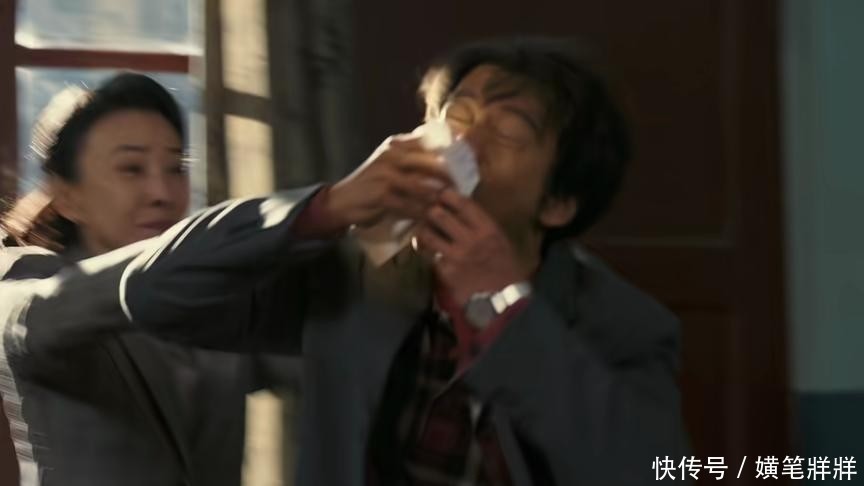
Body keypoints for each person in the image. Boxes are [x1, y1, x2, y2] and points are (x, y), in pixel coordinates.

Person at [129, 37, 687, 485]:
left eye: (509, 130)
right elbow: (155, 295)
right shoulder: (352, 274)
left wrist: (505, 309)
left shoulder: (625, 325)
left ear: (558, 203)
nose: (464, 143)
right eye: (456, 115)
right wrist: (328, 205)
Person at [0, 73, 266, 486]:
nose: (162, 192)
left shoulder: (213, 306)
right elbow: (60, 305)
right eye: (131, 169)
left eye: (176, 167)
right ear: (67, 195)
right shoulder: (28, 283)